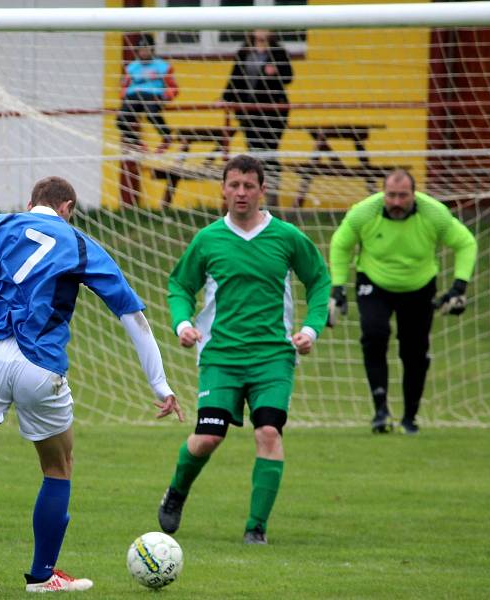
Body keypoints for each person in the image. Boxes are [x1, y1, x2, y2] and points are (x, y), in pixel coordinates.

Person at [0, 176, 182, 593]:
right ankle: (42, 575)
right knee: (57, 466)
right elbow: (131, 316)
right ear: (68, 208)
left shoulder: (0, 224)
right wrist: (160, 385)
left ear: (31, 203)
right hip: (39, 364)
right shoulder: (79, 243)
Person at [157, 154, 330, 545]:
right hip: (221, 357)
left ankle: (256, 527)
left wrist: (310, 330)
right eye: (233, 185)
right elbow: (180, 286)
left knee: (268, 431)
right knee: (207, 438)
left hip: (273, 357)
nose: (240, 193)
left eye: (248, 186)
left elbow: (319, 281)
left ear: (262, 190)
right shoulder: (208, 239)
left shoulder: (287, 237)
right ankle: (176, 492)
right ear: (223, 189)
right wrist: (183, 324)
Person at [328, 169, 477, 434]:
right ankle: (380, 410)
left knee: (414, 351)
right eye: (391, 195)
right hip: (373, 282)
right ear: (383, 193)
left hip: (419, 286)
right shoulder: (364, 212)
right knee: (374, 335)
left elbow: (465, 242)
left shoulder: (434, 213)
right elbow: (340, 243)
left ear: (414, 194)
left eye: (403, 196)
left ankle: (410, 417)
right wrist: (337, 287)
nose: (396, 202)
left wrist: (459, 286)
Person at [223, 30, 293, 206]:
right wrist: (225, 98)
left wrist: (275, 70)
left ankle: (272, 198)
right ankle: (254, 198)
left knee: (270, 153)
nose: (261, 33)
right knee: (254, 153)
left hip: (273, 112)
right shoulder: (244, 51)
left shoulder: (278, 51)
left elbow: (288, 76)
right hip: (248, 111)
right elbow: (235, 78)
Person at [115, 33, 179, 153]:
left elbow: (173, 87)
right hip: (134, 96)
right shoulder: (131, 67)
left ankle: (166, 136)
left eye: (146, 50)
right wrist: (123, 97)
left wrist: (166, 96)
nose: (143, 53)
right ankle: (137, 142)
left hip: (153, 95)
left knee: (151, 113)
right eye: (141, 50)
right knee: (120, 120)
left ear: (152, 49)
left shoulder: (163, 66)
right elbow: (124, 86)